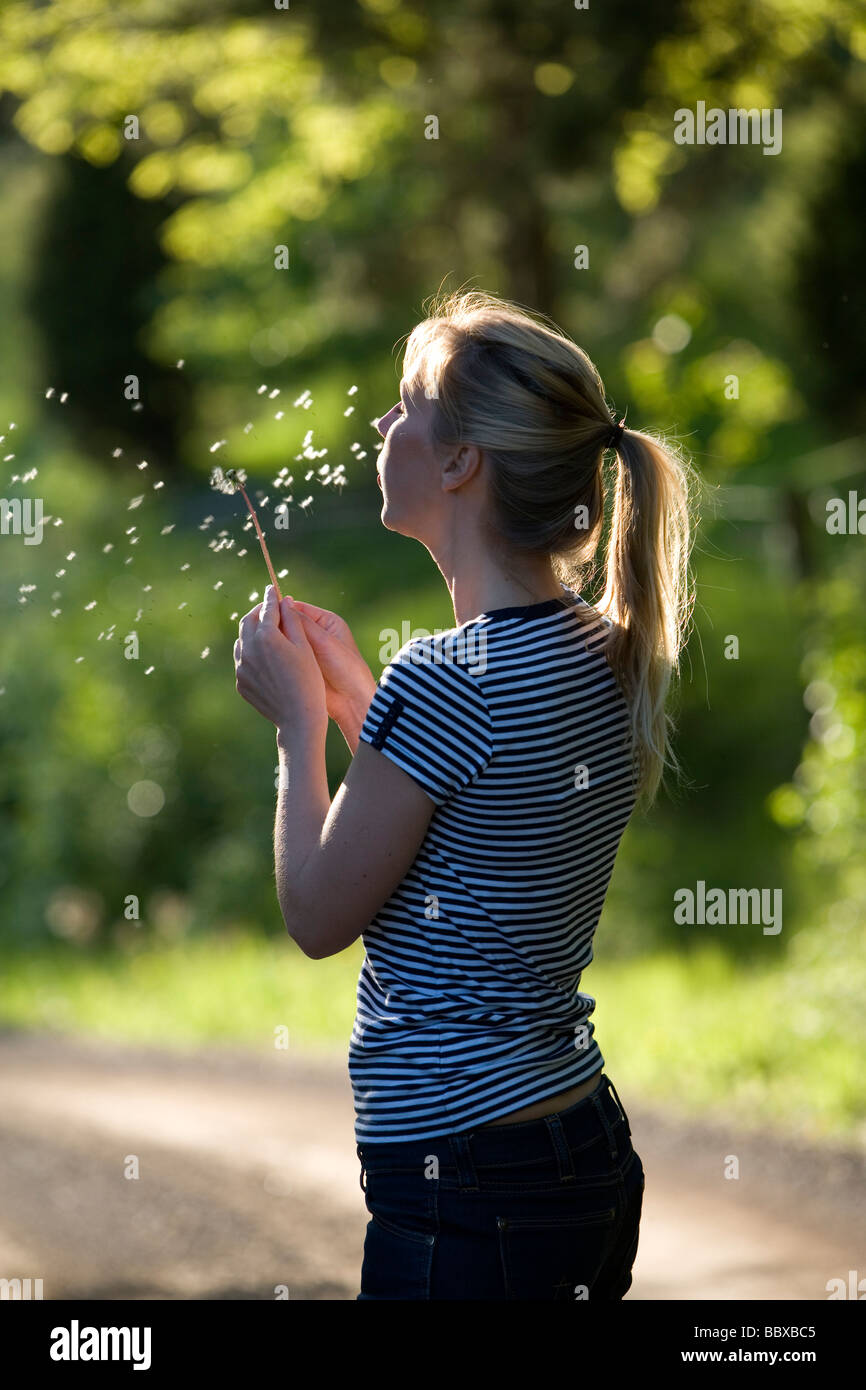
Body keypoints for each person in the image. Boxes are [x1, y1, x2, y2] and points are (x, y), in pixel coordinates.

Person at [233, 288, 697, 1300]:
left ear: (459, 463)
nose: (380, 425)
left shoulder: (446, 680)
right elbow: (461, 815)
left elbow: (318, 911)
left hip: (465, 1179)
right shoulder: (602, 651)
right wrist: (357, 691)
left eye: (405, 405)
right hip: (574, 1147)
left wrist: (296, 726)